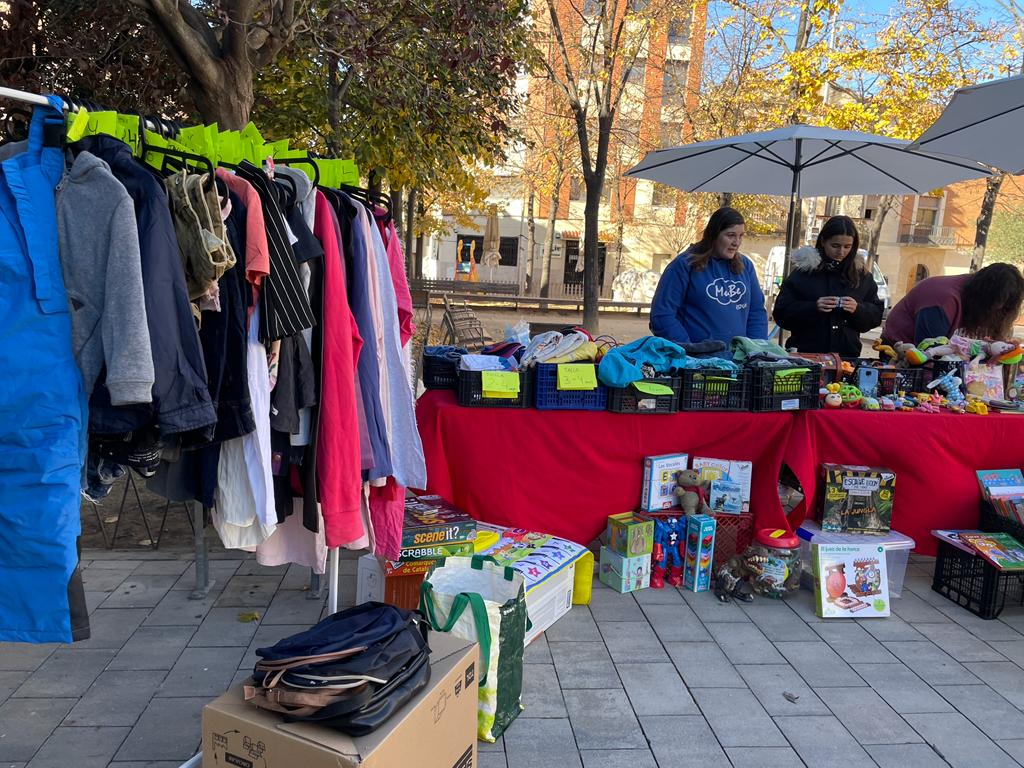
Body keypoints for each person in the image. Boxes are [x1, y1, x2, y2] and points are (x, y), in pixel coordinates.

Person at [650, 207, 768, 346]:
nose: (736, 242)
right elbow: (662, 314)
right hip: (696, 362)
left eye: (741, 235)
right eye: (730, 235)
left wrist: (754, 351)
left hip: (737, 361)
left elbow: (756, 313)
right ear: (714, 234)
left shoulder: (745, 266)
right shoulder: (685, 265)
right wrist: (688, 350)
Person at [772, 215, 884, 357]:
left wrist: (858, 309)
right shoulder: (804, 273)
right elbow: (781, 314)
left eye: (847, 247)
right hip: (806, 357)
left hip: (846, 358)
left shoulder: (861, 276)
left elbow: (876, 315)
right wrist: (813, 307)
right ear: (823, 241)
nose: (841, 252)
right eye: (835, 246)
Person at [883, 262, 1024, 344]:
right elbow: (928, 357)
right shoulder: (943, 301)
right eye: (996, 309)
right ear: (986, 299)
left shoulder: (976, 293)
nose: (998, 315)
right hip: (899, 352)